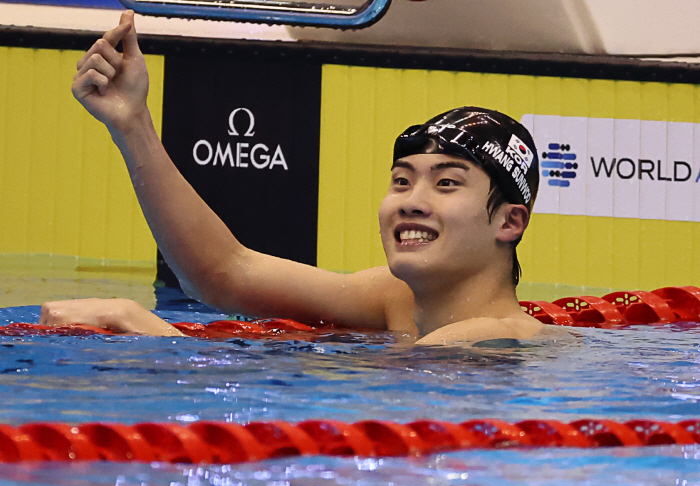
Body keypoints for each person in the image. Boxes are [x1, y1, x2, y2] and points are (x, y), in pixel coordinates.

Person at [39, 10, 549, 345]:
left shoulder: (489, 335)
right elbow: (224, 273)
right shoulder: (399, 300)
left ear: (509, 221)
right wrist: (132, 124)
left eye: (446, 183)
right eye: (401, 181)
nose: (411, 201)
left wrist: (143, 324)